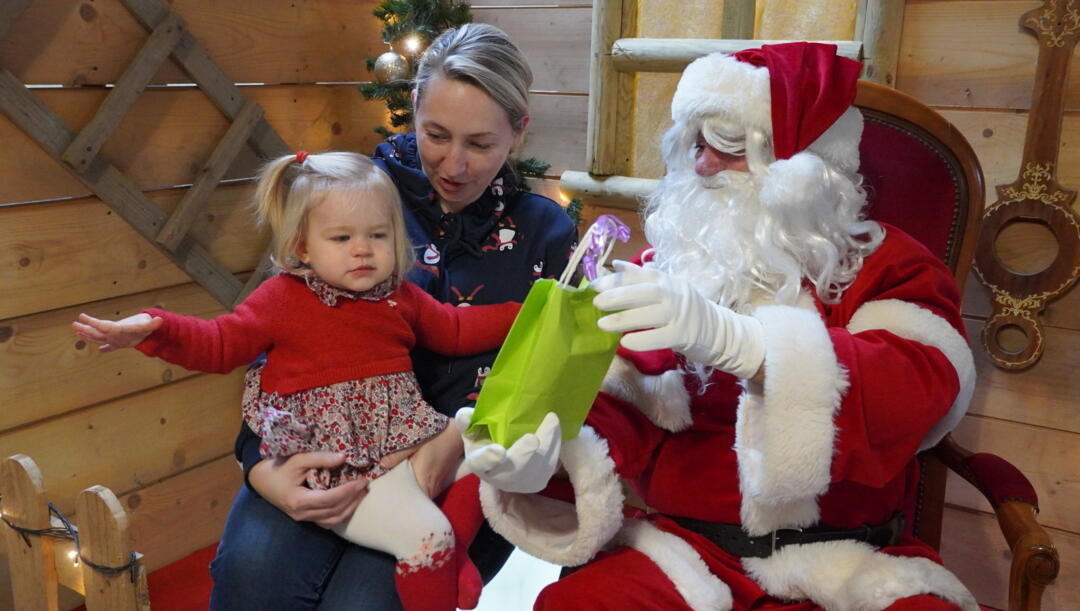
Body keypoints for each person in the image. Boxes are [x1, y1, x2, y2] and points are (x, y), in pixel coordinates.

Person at [458, 42, 980, 610]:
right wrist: (545, 458)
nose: (703, 166)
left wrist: (749, 347)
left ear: (805, 167)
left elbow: (922, 389)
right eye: (696, 144)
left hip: (847, 561)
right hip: (684, 553)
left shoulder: (885, 265)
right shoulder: (670, 272)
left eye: (729, 147)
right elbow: (617, 412)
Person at [207, 23, 578, 611]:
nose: (453, 164)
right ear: (412, 109)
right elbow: (268, 338)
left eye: (480, 144)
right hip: (314, 453)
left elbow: (553, 381)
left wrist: (455, 445)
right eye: (435, 134)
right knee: (252, 575)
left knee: (369, 601)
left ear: (519, 131)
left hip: (456, 473)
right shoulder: (349, 195)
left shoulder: (546, 233)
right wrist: (261, 469)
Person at [73, 151, 523, 611]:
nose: (362, 249)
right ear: (304, 247)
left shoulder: (398, 296)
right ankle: (440, 566)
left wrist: (526, 314)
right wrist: (158, 327)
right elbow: (219, 342)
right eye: (342, 237)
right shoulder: (282, 298)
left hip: (400, 444)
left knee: (475, 440)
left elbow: (455, 328)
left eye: (378, 235)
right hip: (340, 467)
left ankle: (451, 562)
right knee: (430, 536)